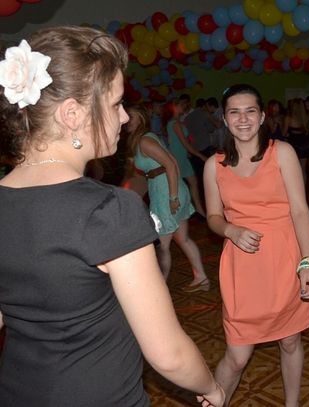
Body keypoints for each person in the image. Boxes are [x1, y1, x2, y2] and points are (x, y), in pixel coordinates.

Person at [0, 26, 224, 406]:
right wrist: (211, 388)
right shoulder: (108, 210)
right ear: (72, 114)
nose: (123, 117)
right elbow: (168, 354)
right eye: (117, 104)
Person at [203, 84, 309, 407]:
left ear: (263, 116)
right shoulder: (215, 165)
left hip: (285, 261)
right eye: (234, 112)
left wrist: (308, 264)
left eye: (250, 111)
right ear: (224, 118)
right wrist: (230, 229)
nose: (243, 119)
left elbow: (300, 211)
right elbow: (213, 216)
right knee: (237, 356)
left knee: (290, 342)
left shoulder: (282, 153)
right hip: (243, 268)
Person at [126, 105, 209, 292]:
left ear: (141, 118)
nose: (126, 120)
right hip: (167, 188)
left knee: (162, 246)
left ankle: (159, 290)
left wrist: (172, 197)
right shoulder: (143, 139)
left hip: (166, 192)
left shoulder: (145, 140)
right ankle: (201, 278)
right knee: (183, 239)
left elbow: (171, 165)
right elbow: (169, 163)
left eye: (130, 116)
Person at [163, 99, 207, 217]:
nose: (184, 106)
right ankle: (185, 211)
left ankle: (197, 210)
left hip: (181, 156)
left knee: (191, 183)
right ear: (175, 106)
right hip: (177, 157)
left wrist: (188, 152)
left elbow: (183, 142)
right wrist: (201, 156)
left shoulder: (177, 122)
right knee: (182, 185)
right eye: (181, 104)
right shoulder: (175, 123)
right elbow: (185, 143)